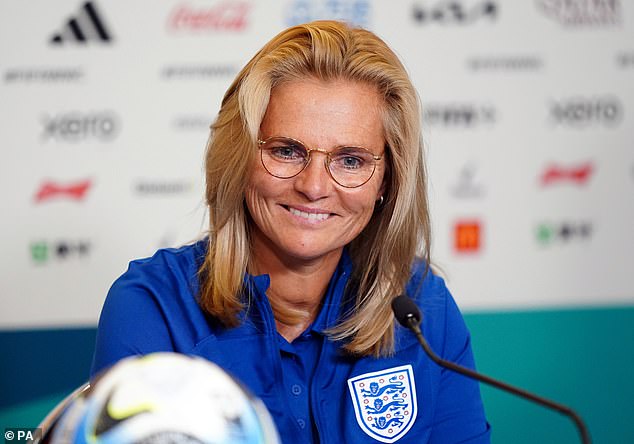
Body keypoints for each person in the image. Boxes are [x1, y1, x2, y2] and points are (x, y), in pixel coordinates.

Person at [91, 20, 490, 444]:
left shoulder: (423, 308)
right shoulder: (154, 308)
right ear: (239, 160)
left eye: (351, 160)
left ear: (387, 182)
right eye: (286, 151)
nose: (314, 187)